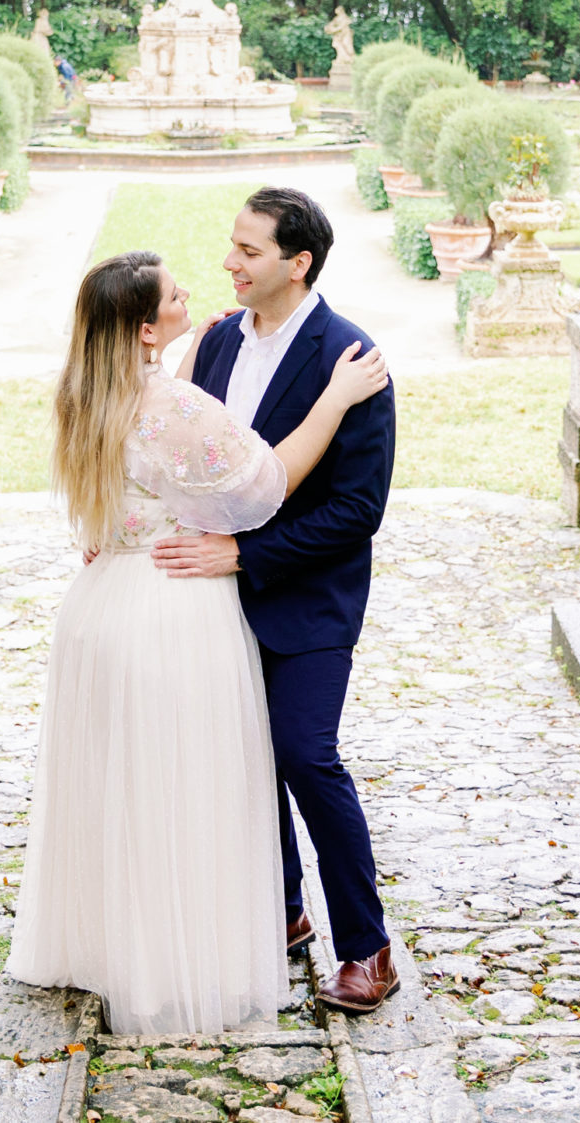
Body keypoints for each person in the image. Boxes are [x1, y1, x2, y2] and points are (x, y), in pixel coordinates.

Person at [9, 251, 390, 1035]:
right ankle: (192, 954)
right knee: (189, 784)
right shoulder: (171, 403)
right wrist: (335, 396)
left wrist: (173, 362)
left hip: (101, 607)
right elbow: (267, 481)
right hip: (169, 608)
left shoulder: (84, 390)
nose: (199, 292)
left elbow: (146, 446)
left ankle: (126, 944)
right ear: (146, 328)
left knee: (125, 791)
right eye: (178, 295)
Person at [154, 188, 400, 1013]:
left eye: (249, 251)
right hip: (214, 602)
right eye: (231, 245)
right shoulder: (218, 341)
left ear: (297, 264)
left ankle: (367, 947)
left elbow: (356, 512)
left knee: (303, 755)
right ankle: (282, 909)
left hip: (308, 603)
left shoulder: (352, 358)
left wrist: (244, 554)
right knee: (239, 759)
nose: (229, 262)